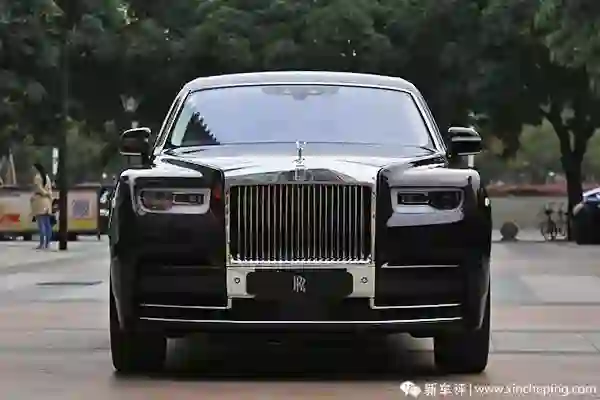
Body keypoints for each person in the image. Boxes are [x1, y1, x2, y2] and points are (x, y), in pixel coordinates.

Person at [30, 163, 53, 249]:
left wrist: (43, 193)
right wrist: (48, 194)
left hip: (40, 201)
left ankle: (42, 243)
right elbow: (50, 189)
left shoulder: (37, 177)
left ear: (36, 169)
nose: (32, 170)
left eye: (33, 168)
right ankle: (47, 243)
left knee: (41, 224)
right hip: (47, 201)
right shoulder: (47, 177)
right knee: (47, 224)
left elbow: (39, 189)